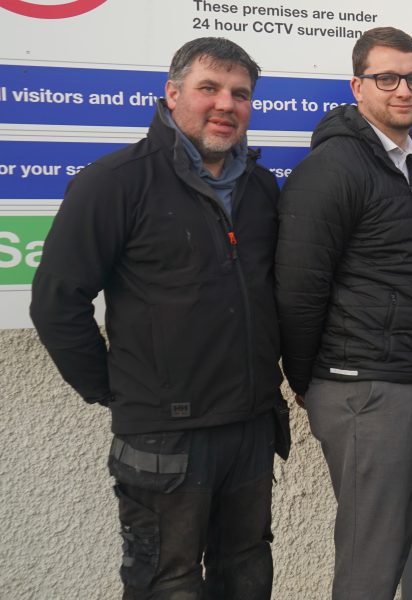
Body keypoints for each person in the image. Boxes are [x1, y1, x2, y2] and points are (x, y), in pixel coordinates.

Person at [30, 37, 285, 598]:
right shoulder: (116, 181)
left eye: (240, 94)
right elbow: (56, 302)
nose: (226, 104)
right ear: (172, 95)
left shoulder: (261, 189)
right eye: (209, 89)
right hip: (164, 437)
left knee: (245, 573)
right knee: (164, 584)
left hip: (247, 425)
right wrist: (117, 390)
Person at [273, 26, 412, 599]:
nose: (404, 89)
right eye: (387, 78)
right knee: (369, 561)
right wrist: (305, 379)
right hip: (362, 387)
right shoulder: (334, 168)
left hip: (411, 378)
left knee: (390, 543)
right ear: (358, 86)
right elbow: (298, 287)